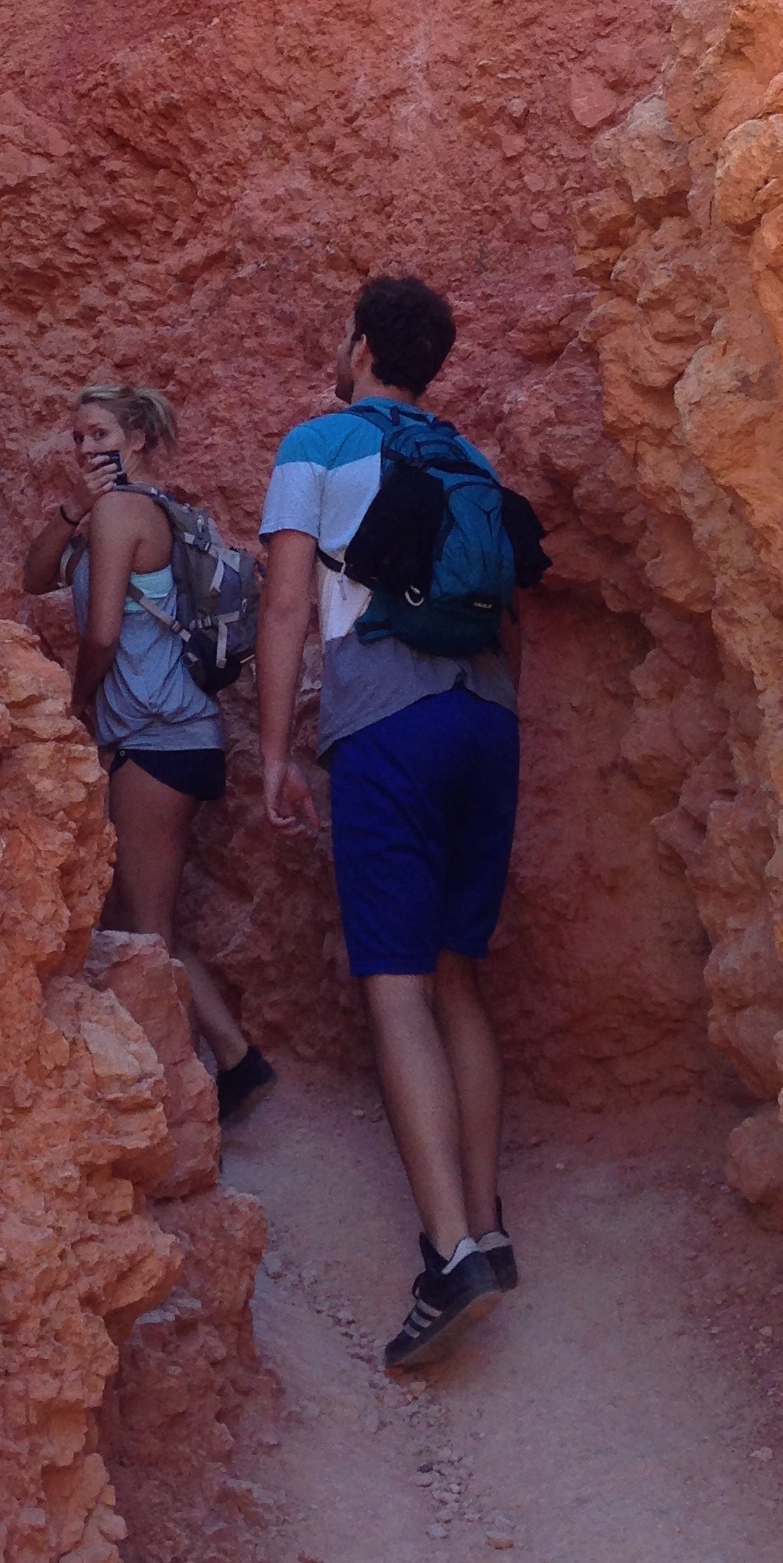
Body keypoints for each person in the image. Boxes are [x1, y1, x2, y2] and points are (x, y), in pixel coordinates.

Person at [257, 275, 524, 1371]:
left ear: (362, 345)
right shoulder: (472, 459)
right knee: (459, 977)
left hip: (388, 722)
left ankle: (449, 1254)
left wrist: (275, 751)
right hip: (488, 721)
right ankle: (489, 1230)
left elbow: (287, 604)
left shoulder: (317, 445)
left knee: (397, 986)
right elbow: (509, 612)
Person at [24, 382, 276, 1125]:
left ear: (136, 438)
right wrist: (72, 507)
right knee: (144, 917)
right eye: (78, 436)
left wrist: (78, 704)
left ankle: (188, 1091)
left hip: (157, 736)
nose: (85, 447)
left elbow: (102, 633)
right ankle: (234, 1063)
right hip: (173, 734)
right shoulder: (118, 511)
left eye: (100, 434)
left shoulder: (124, 513)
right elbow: (34, 578)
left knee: (145, 930)